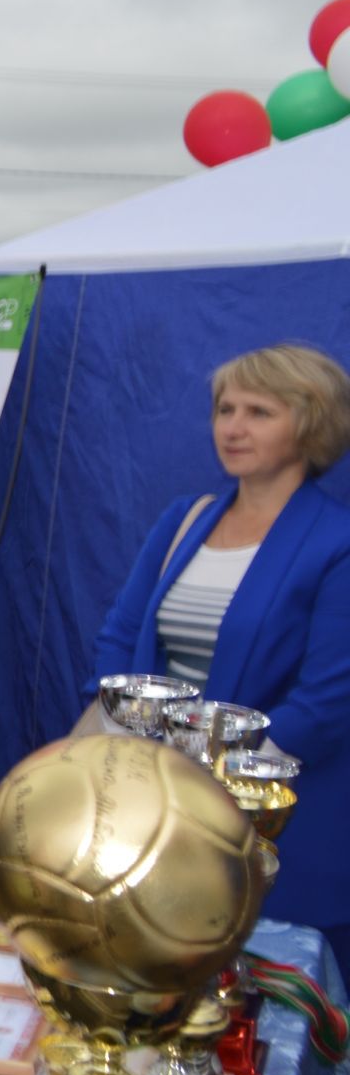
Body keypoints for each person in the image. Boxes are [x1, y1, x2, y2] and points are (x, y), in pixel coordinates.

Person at [92, 343, 350, 963]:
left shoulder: (337, 542)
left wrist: (209, 776)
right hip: (157, 804)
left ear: (310, 423)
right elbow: (121, 641)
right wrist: (131, 751)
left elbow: (325, 702)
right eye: (224, 409)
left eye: (259, 412)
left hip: (274, 825)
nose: (233, 427)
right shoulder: (186, 519)